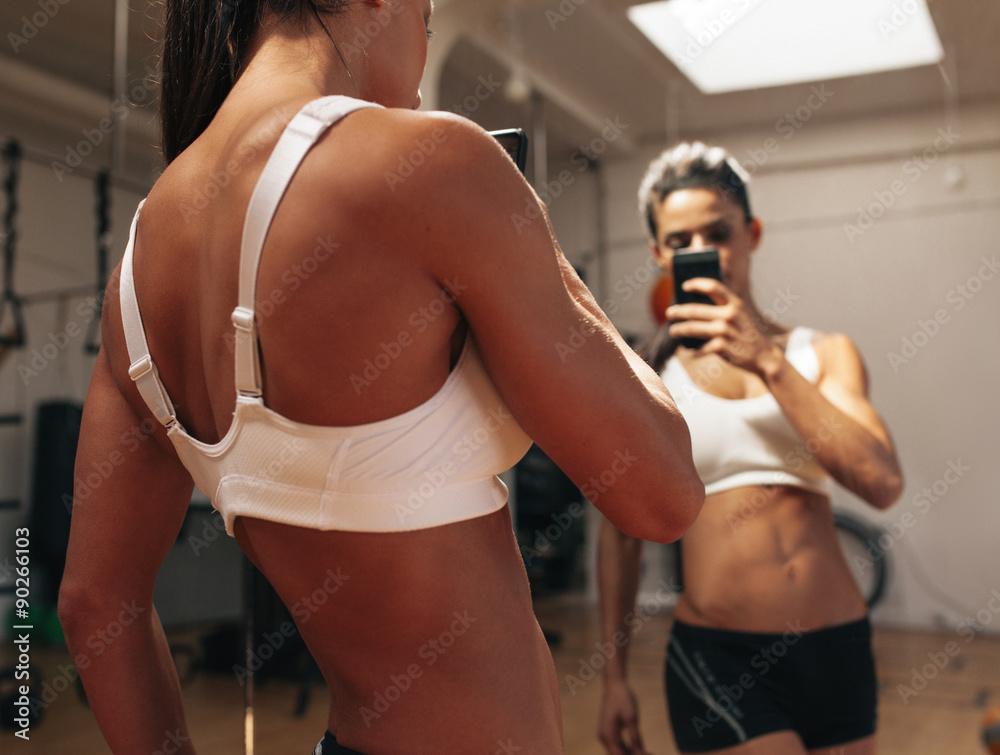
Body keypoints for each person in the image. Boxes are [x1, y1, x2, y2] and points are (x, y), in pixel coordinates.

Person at [56, 2, 704, 753]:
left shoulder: (133, 279)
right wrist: (535, 238)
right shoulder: (434, 164)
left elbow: (94, 605)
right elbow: (665, 494)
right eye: (425, 21)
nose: (422, 72)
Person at [597, 142, 904, 755]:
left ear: (752, 233)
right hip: (721, 658)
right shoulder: (645, 377)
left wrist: (768, 361)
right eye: (680, 241)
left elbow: (881, 481)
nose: (702, 253)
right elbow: (620, 535)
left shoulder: (824, 353)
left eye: (719, 233)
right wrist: (612, 678)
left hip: (838, 646)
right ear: (658, 253)